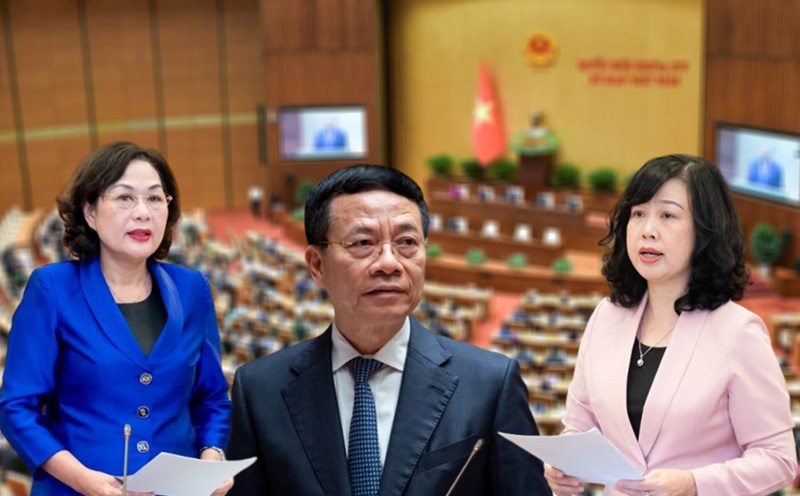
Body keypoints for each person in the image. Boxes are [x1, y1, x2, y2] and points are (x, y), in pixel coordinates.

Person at [226, 164, 549, 495]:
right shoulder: (260, 390)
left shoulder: (490, 385)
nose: (389, 263)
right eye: (363, 242)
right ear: (317, 265)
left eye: (407, 242)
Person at [545, 155, 797, 496]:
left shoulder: (738, 332)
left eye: (667, 215)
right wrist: (562, 464)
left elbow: (778, 460)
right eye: (638, 214)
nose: (648, 229)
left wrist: (694, 484)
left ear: (705, 230)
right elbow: (578, 425)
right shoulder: (607, 316)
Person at [0, 141, 233, 495]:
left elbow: (211, 398)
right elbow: (17, 407)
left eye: (156, 199)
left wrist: (212, 458)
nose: (143, 212)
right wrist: (82, 479)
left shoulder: (192, 289)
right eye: (124, 198)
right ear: (90, 211)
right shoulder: (53, 289)